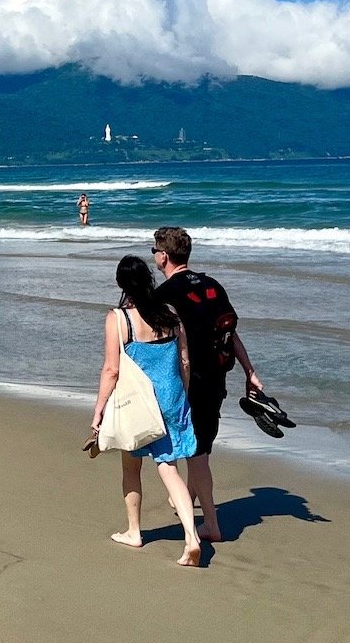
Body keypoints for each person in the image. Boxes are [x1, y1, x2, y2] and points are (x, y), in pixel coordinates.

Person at [150, 226, 264, 543]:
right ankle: (185, 499)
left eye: (155, 252)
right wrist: (250, 372)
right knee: (200, 449)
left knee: (196, 453)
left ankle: (211, 525)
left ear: (163, 256)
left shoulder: (165, 296)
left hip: (189, 384)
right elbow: (230, 332)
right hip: (217, 380)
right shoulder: (212, 285)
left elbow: (155, 346)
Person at [93, 255, 202, 566]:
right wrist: (184, 396)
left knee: (132, 468)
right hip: (172, 398)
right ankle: (189, 536)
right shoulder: (169, 315)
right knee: (169, 467)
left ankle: (135, 531)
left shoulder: (118, 318)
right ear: (149, 280)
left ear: (120, 284)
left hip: (139, 404)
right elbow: (184, 361)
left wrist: (98, 412)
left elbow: (111, 369)